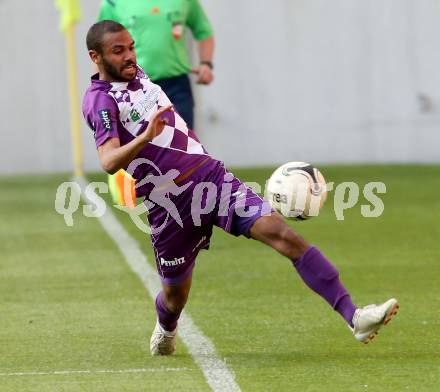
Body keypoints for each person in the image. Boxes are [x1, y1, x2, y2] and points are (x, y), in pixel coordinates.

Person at [82, 21, 399, 356]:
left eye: (131, 47)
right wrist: (146, 136)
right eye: (119, 51)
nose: (129, 55)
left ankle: (355, 317)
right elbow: (108, 161)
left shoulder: (138, 73)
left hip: (211, 179)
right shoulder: (100, 102)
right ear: (96, 56)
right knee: (175, 297)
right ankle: (166, 327)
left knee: (282, 234)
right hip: (169, 204)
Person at [97, 0, 214, 207]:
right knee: (141, 147)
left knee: (184, 147)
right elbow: (102, 47)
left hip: (177, 86)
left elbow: (203, 31)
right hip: (135, 87)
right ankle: (127, 186)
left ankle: (184, 202)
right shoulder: (113, 3)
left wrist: (206, 63)